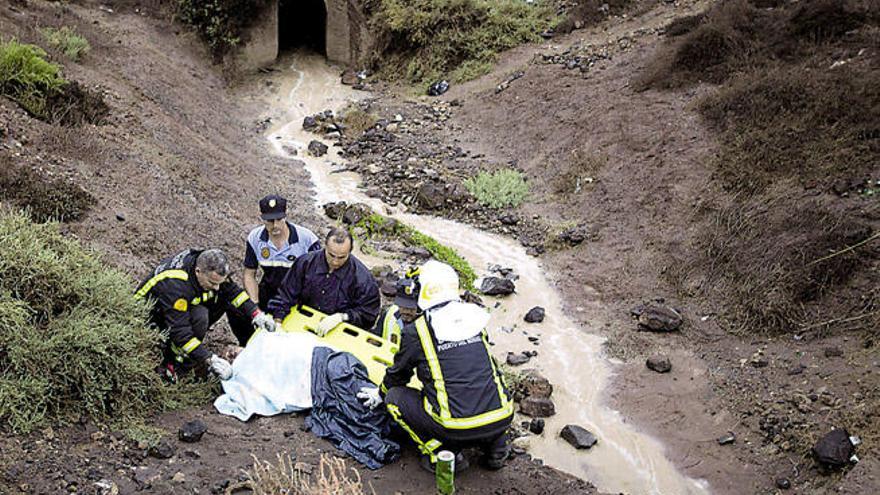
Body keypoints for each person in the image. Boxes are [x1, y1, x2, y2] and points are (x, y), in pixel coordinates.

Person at [357, 260, 514, 472]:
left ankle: (442, 454)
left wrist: (380, 393)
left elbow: (398, 375)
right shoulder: (475, 318)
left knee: (394, 398)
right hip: (502, 416)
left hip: (456, 427)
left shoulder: (419, 330)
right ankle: (497, 447)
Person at [135, 248, 276, 382]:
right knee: (199, 317)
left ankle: (191, 353)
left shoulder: (208, 265)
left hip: (180, 305)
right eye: (212, 283)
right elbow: (180, 333)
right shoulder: (176, 286)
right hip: (149, 318)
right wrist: (209, 359)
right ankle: (174, 364)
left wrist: (256, 314)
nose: (216, 287)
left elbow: (232, 291)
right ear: (198, 272)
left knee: (224, 298)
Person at [235, 194, 320, 345]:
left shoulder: (307, 239)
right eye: (269, 221)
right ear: (262, 218)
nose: (275, 226)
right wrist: (255, 305)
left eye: (279, 220)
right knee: (237, 311)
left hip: (297, 296)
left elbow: (317, 278)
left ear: (286, 216)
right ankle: (247, 344)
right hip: (269, 291)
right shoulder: (255, 238)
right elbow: (249, 274)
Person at [267, 227, 380, 335]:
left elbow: (368, 314)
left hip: (339, 332)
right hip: (302, 322)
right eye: (331, 255)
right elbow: (285, 296)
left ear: (350, 252)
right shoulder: (305, 263)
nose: (335, 262)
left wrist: (343, 317)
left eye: (341, 257)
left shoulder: (363, 279)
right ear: (325, 246)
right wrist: (278, 323)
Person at [373, 272, 420, 343]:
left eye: (411, 308)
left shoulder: (427, 326)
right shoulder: (389, 315)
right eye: (403, 306)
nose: (406, 311)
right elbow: (375, 338)